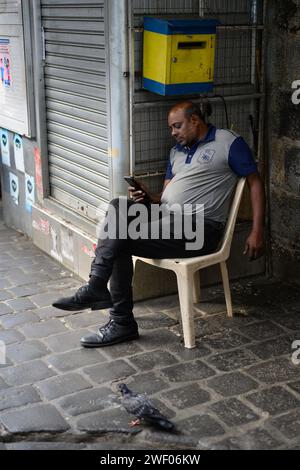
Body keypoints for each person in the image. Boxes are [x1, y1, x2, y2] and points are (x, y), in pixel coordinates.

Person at [52, 100, 265, 347]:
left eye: (177, 126)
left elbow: (255, 182)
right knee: (119, 206)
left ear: (195, 120)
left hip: (201, 229)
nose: (173, 133)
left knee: (119, 239)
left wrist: (257, 230)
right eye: (170, 128)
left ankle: (115, 313)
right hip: (169, 221)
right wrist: (147, 196)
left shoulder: (228, 142)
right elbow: (165, 199)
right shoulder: (176, 153)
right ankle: (98, 286)